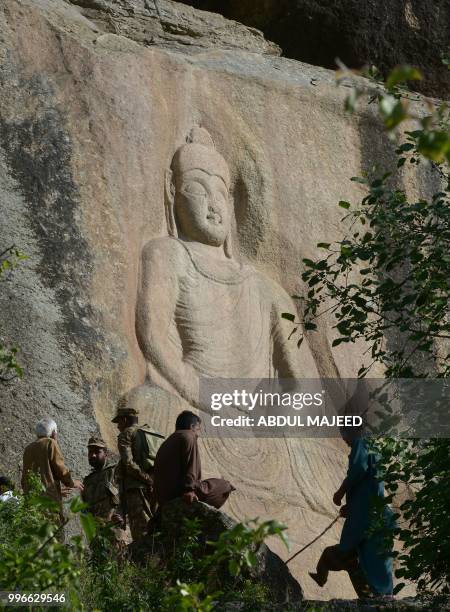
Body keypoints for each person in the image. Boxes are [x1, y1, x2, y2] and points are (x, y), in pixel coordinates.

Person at [309, 432, 394, 599]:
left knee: (365, 562)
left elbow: (358, 468)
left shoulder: (362, 442)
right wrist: (352, 506)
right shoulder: (375, 449)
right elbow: (369, 487)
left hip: (369, 521)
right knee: (364, 563)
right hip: (374, 517)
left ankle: (378, 599)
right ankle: (373, 597)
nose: (344, 439)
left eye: (344, 433)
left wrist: (341, 492)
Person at [153, 410, 235, 509]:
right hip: (179, 493)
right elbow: (191, 465)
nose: (198, 434)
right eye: (197, 429)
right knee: (224, 485)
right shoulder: (189, 436)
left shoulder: (168, 441)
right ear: (192, 426)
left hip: (163, 497)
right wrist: (189, 490)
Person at [112, 397, 164, 541]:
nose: (117, 427)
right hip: (156, 488)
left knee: (141, 531)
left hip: (137, 488)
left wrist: (146, 480)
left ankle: (144, 561)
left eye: (118, 422)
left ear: (124, 420)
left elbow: (128, 463)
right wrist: (152, 481)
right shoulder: (151, 433)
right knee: (155, 527)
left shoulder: (126, 434)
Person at [21, 417, 83, 519]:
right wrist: (72, 482)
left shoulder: (28, 449)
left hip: (31, 501)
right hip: (48, 503)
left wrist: (57, 490)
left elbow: (26, 478)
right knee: (53, 531)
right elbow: (61, 470)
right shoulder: (50, 443)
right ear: (54, 433)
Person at [82, 437, 126, 545]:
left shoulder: (115, 471)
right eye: (90, 452)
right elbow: (85, 509)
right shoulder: (87, 481)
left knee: (116, 560)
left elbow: (127, 495)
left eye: (97, 452)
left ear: (106, 453)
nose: (93, 455)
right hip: (95, 533)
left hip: (114, 530)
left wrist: (124, 517)